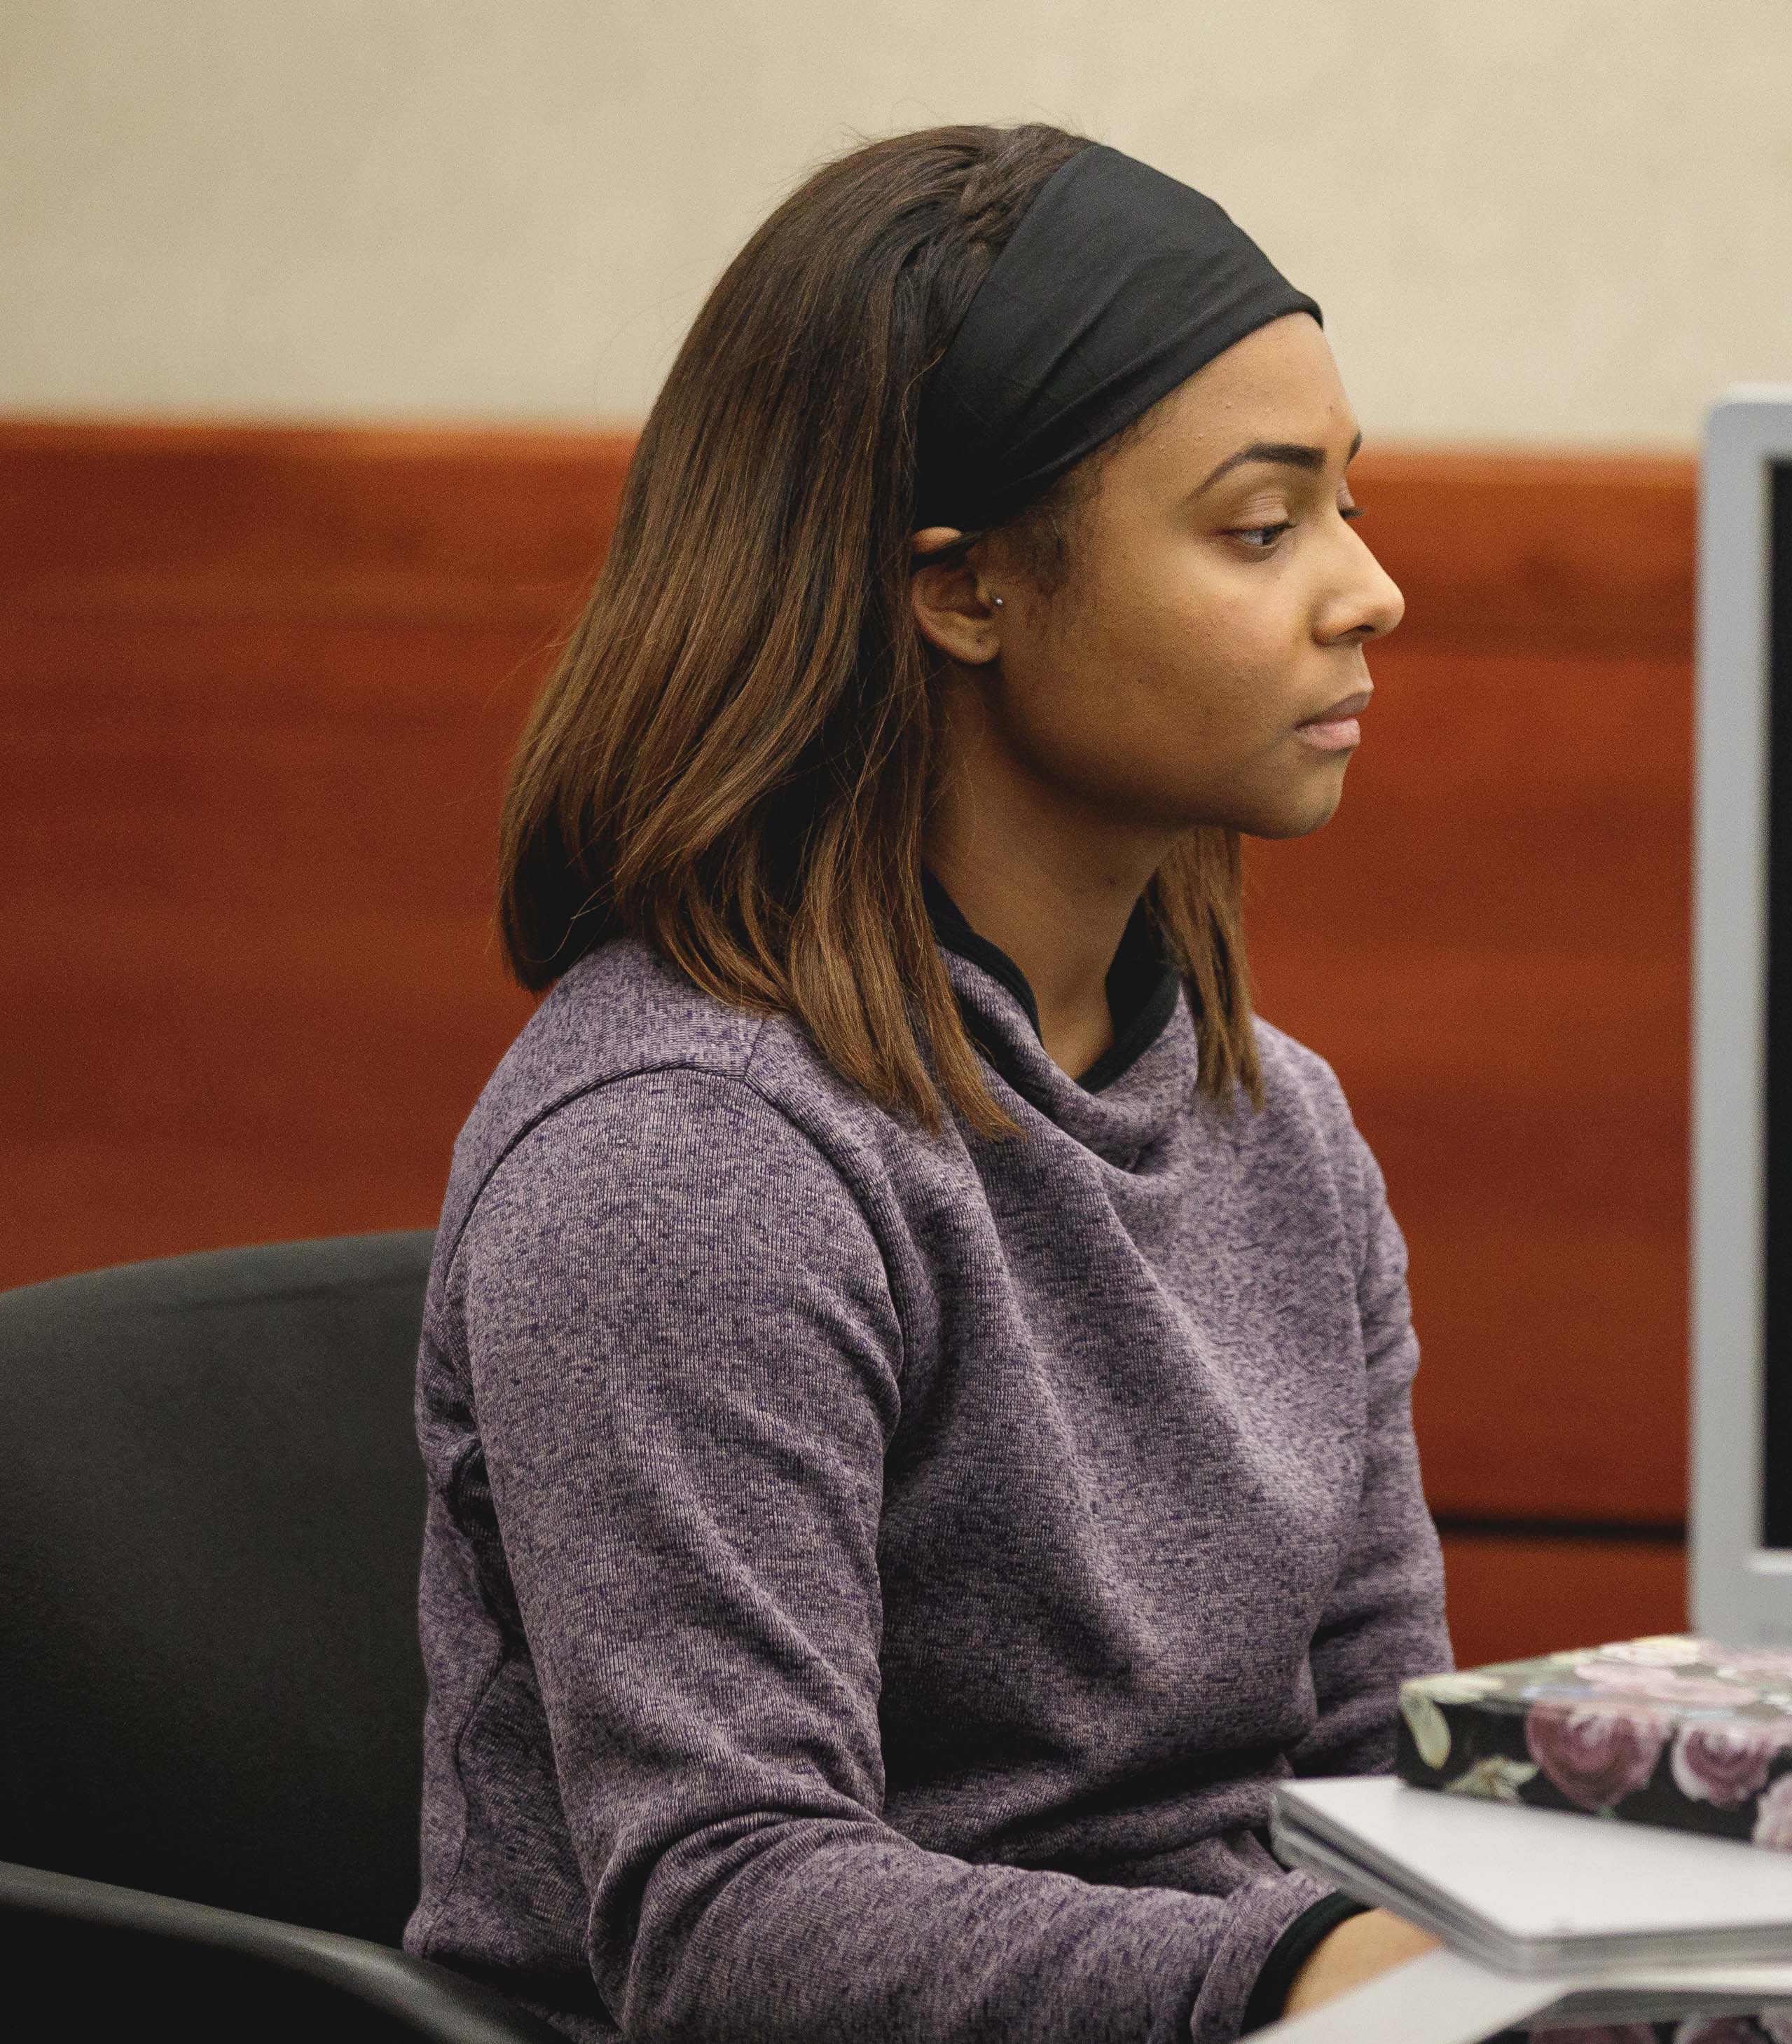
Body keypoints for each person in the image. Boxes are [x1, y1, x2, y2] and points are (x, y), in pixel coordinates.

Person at [408, 123, 1450, 2039]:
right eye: (1261, 525)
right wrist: (1300, 1973)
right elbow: (728, 1922)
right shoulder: (686, 1157)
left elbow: (1386, 1781)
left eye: (1349, 506)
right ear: (964, 592)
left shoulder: (1278, 1129)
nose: (1367, 591)